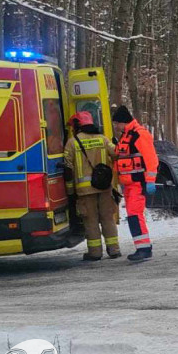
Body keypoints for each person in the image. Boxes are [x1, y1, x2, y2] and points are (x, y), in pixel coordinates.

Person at [64, 111, 120, 261]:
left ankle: (95, 253)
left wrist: (70, 191)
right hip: (104, 187)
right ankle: (114, 249)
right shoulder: (103, 139)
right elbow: (116, 154)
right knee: (108, 218)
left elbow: (68, 168)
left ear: (78, 126)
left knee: (91, 221)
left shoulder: (72, 142)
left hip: (84, 191)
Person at [112, 105, 158, 262]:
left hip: (137, 183)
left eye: (116, 123)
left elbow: (151, 159)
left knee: (135, 215)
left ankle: (144, 249)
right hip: (129, 184)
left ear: (123, 122)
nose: (115, 127)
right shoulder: (126, 136)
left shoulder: (139, 135)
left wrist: (150, 181)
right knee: (133, 215)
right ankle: (143, 247)